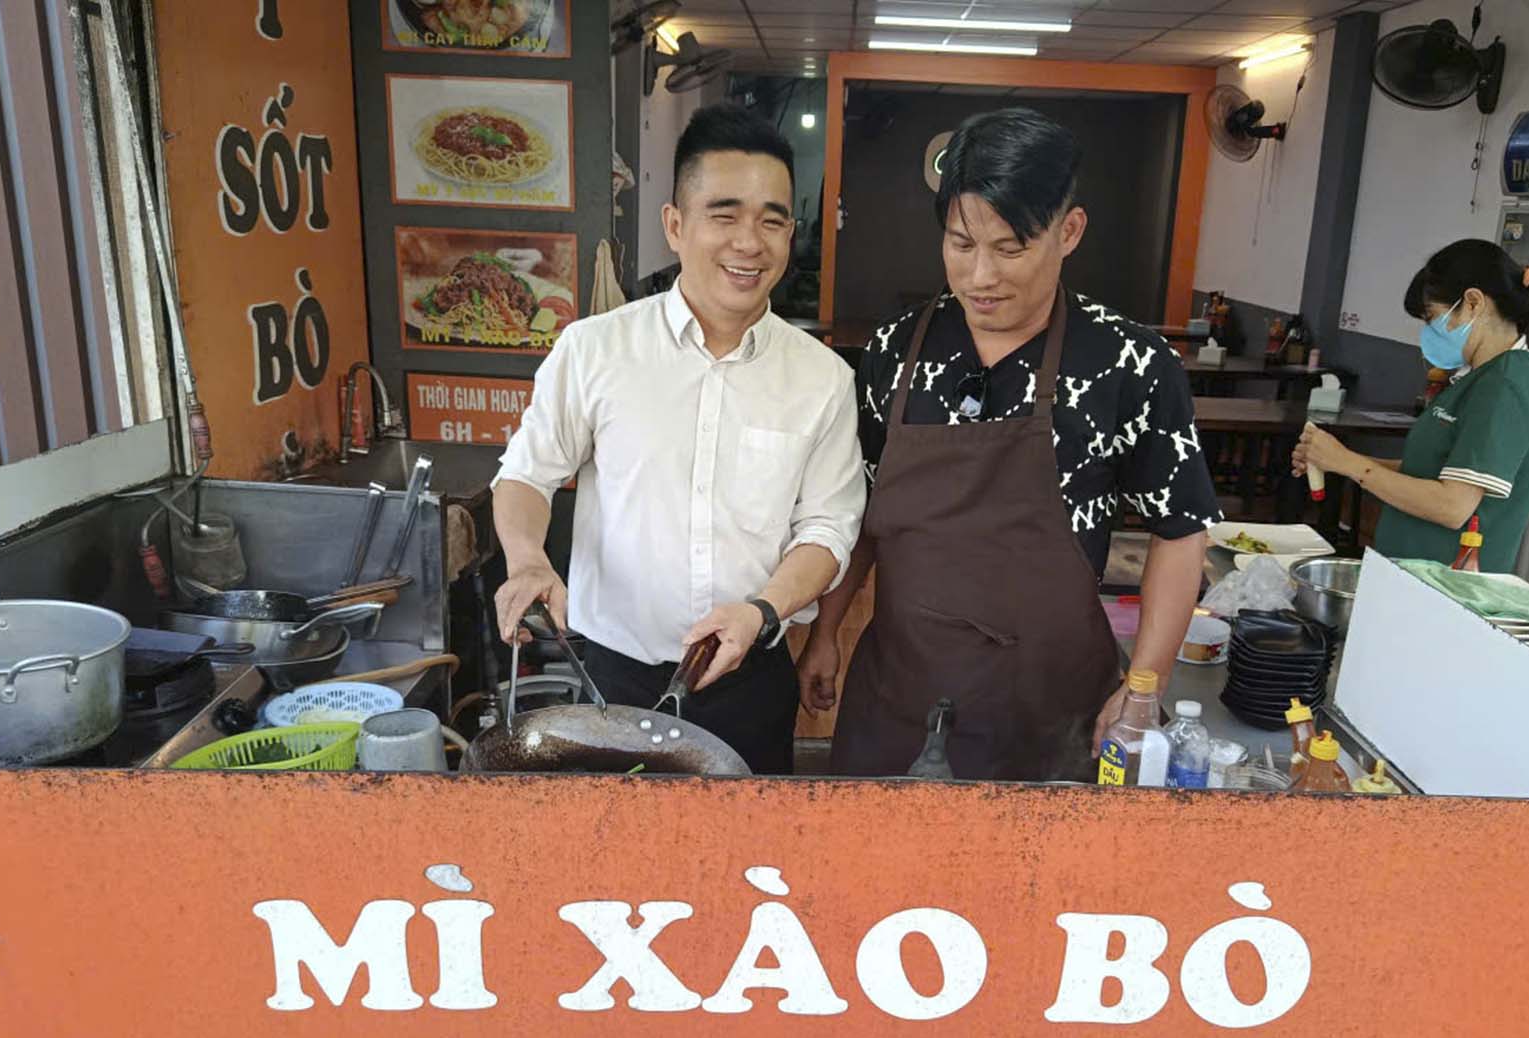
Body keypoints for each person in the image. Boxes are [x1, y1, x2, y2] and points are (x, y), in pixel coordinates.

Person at [801, 108, 1220, 782]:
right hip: (901, 697)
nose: (981, 276)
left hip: (1053, 713)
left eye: (1011, 247)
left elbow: (1180, 530)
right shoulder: (896, 350)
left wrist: (1146, 685)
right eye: (961, 243)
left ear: (1069, 230)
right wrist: (825, 631)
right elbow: (858, 513)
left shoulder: (1129, 363)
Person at [490, 103, 866, 773]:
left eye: (772, 220)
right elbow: (527, 473)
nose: (749, 242)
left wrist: (762, 610)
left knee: (750, 837)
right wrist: (526, 560)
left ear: (790, 234)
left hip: (752, 675)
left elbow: (828, 530)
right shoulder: (595, 349)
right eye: (725, 215)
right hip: (614, 679)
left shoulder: (823, 379)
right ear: (675, 225)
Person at [1293, 238, 1529, 574]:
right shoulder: (1478, 378)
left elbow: (1452, 506)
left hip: (1445, 587)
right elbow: (1426, 469)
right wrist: (1335, 458)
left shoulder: (1505, 387)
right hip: (1412, 573)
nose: (1428, 332)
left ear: (1473, 303)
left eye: (1433, 318)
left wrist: (1349, 463)